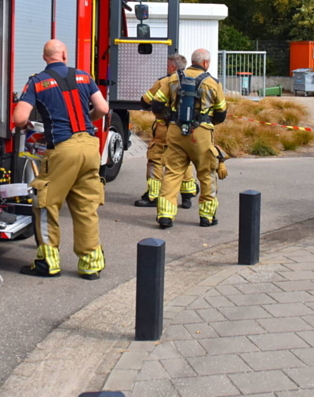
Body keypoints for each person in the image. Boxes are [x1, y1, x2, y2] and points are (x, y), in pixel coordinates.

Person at [13, 39, 110, 279]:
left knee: (46, 204)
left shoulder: (37, 82)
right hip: (90, 147)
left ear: (45, 57)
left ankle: (48, 262)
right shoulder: (84, 77)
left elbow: (19, 118)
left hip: (62, 149)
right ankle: (91, 264)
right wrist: (88, 117)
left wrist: (29, 126)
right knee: (86, 207)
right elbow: (103, 109)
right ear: (65, 55)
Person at [150, 48, 228, 228]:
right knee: (206, 174)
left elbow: (156, 104)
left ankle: (165, 215)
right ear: (206, 63)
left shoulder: (173, 78)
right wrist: (205, 124)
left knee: (171, 173)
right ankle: (206, 217)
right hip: (201, 134)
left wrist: (166, 119)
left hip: (175, 132)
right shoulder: (213, 83)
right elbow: (221, 115)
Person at [134, 53, 198, 209]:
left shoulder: (164, 81)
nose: (166, 67)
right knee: (182, 158)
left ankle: (153, 195)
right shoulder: (195, 82)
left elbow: (146, 101)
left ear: (173, 67)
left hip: (165, 128)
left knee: (155, 158)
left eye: (168, 65)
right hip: (187, 128)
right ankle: (187, 194)